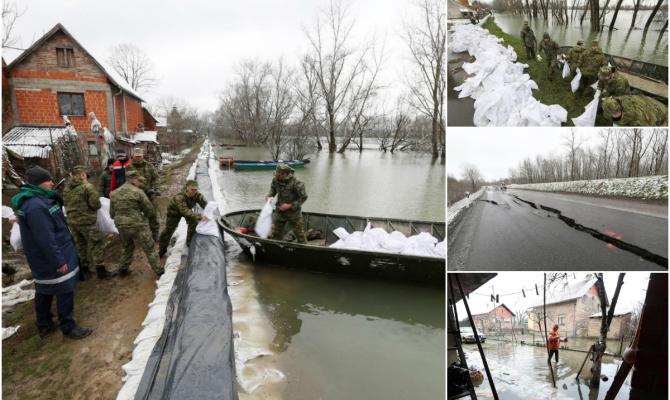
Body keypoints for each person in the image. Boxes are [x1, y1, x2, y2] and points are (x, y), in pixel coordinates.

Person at [11, 166, 93, 339]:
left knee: (44, 288)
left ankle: (44, 323)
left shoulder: (37, 200)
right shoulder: (36, 206)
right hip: (54, 256)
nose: (52, 183)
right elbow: (45, 238)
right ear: (39, 184)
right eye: (48, 180)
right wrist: (58, 261)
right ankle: (68, 327)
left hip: (46, 256)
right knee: (65, 289)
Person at [63, 166, 116, 279]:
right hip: (87, 222)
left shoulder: (67, 188)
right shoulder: (87, 187)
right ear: (82, 174)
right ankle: (101, 271)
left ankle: (85, 270)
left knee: (81, 245)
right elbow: (95, 205)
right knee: (97, 244)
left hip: (72, 222)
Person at [110, 170, 163, 276]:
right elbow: (150, 210)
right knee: (149, 247)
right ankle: (159, 271)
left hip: (121, 225)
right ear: (134, 180)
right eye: (139, 180)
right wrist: (143, 216)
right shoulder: (138, 192)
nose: (140, 183)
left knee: (127, 246)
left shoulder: (114, 193)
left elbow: (112, 214)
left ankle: (123, 269)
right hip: (137, 224)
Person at [158, 180, 208, 257]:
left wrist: (209, 212)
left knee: (193, 222)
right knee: (169, 229)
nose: (194, 191)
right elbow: (184, 211)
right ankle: (162, 247)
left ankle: (189, 242)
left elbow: (205, 205)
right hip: (174, 213)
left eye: (196, 190)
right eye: (192, 189)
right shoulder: (179, 197)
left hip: (186, 210)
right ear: (187, 188)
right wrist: (200, 216)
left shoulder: (197, 195)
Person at [267, 164, 308, 243]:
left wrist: (289, 205)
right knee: (276, 234)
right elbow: (273, 189)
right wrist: (269, 196)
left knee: (300, 236)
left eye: (278, 175)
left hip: (294, 214)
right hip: (280, 212)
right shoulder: (276, 179)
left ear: (285, 174)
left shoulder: (297, 183)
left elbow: (303, 197)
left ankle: (305, 251)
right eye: (275, 174)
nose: (276, 176)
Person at [601, 95, 668, 126]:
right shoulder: (618, 100)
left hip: (664, 115)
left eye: (616, 112)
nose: (614, 114)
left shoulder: (640, 118)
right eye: (611, 113)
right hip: (648, 103)